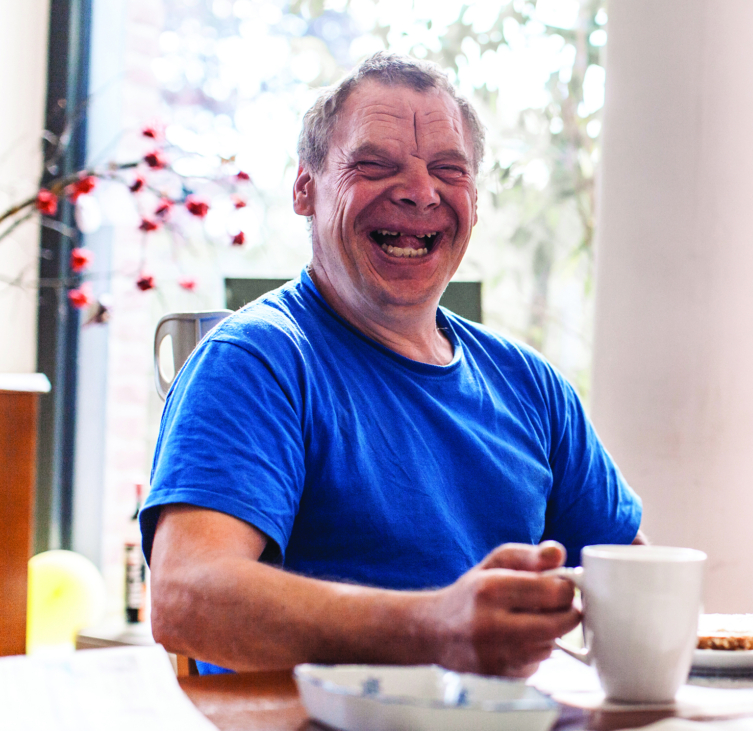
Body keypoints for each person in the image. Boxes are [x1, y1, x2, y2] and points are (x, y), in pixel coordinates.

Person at [143, 53, 643, 677]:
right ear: (306, 188)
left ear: (475, 200)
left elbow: (636, 577)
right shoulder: (257, 362)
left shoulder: (531, 385)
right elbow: (186, 599)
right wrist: (433, 627)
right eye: (375, 166)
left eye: (448, 170)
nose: (419, 191)